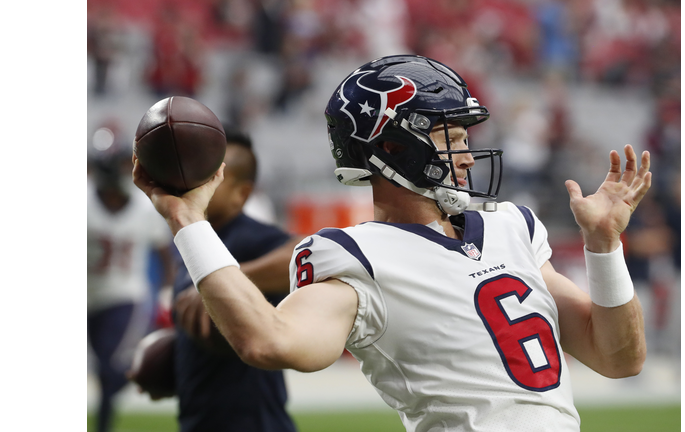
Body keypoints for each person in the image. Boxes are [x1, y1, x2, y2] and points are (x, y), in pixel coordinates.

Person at [133, 54, 652, 431]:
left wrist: (604, 246)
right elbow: (271, 341)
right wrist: (188, 221)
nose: (467, 157)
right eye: (451, 139)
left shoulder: (511, 226)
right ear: (394, 148)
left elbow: (619, 358)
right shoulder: (355, 256)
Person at [153, 126, 298, 432]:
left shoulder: (248, 237)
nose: (195, 182)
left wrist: (224, 277)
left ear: (241, 194)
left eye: (211, 177)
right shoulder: (195, 239)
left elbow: (302, 255)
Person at [87, 134, 175, 432]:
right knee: (102, 372)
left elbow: (164, 254)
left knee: (109, 370)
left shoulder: (143, 207)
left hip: (125, 296)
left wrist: (166, 292)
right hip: (89, 297)